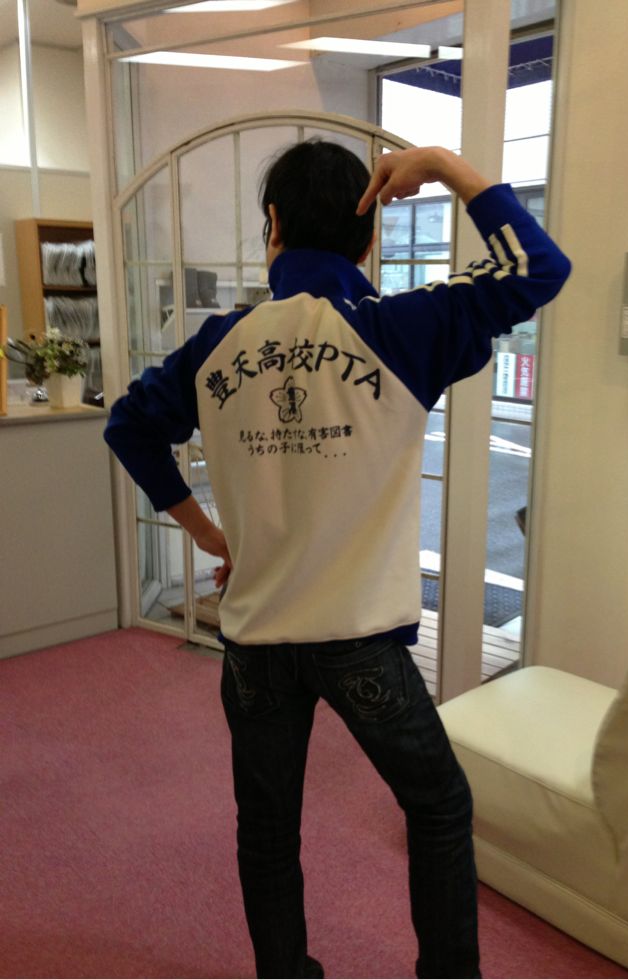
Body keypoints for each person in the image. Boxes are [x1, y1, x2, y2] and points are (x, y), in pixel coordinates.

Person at [104, 139, 571, 979]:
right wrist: (446, 167)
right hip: (360, 640)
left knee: (267, 827)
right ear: (369, 235)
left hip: (255, 639)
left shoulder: (215, 344)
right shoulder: (400, 328)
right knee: (437, 807)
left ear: (272, 224)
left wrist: (207, 533)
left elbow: (129, 426)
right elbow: (537, 269)